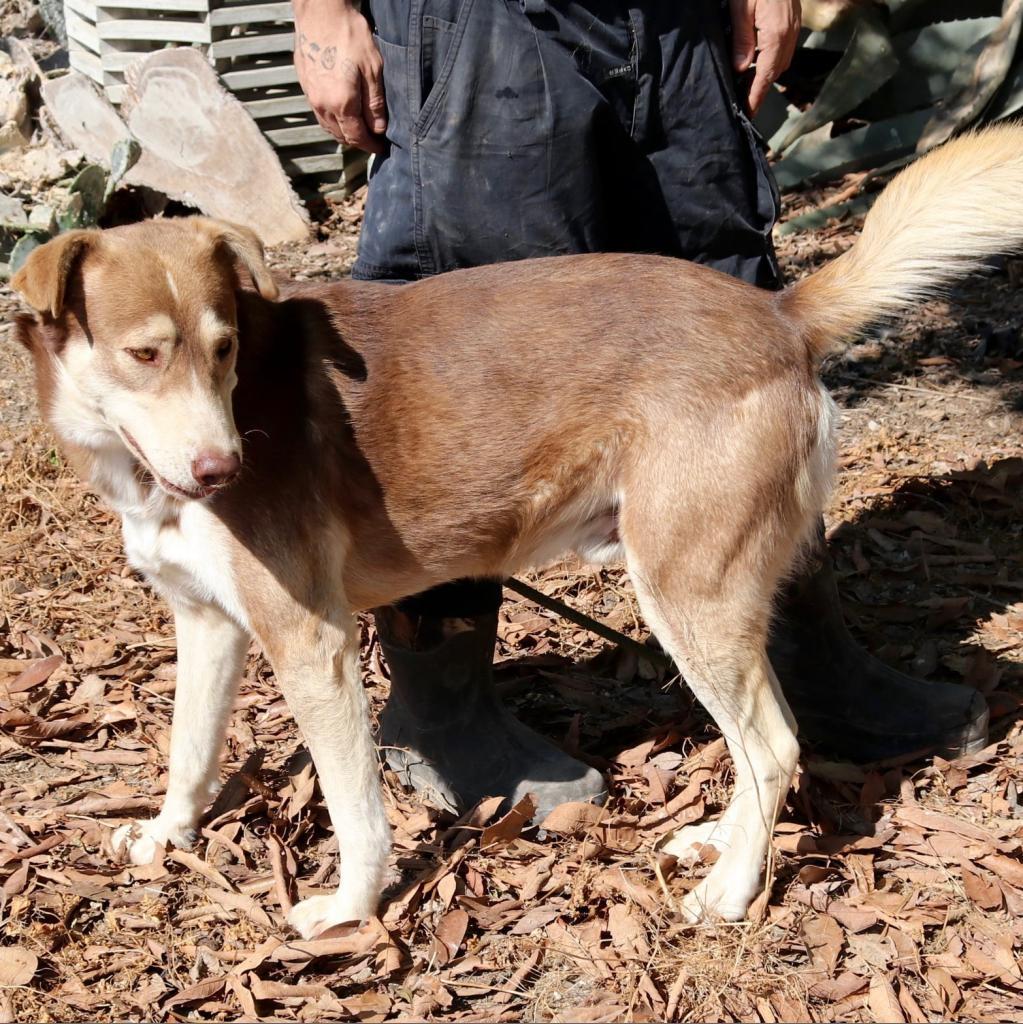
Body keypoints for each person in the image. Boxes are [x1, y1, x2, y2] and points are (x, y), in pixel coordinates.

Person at [290, 0, 989, 819]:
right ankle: (443, 712)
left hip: (674, 21)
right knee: (468, 362)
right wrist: (323, 9)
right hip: (479, 25)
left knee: (728, 323)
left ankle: (794, 660)